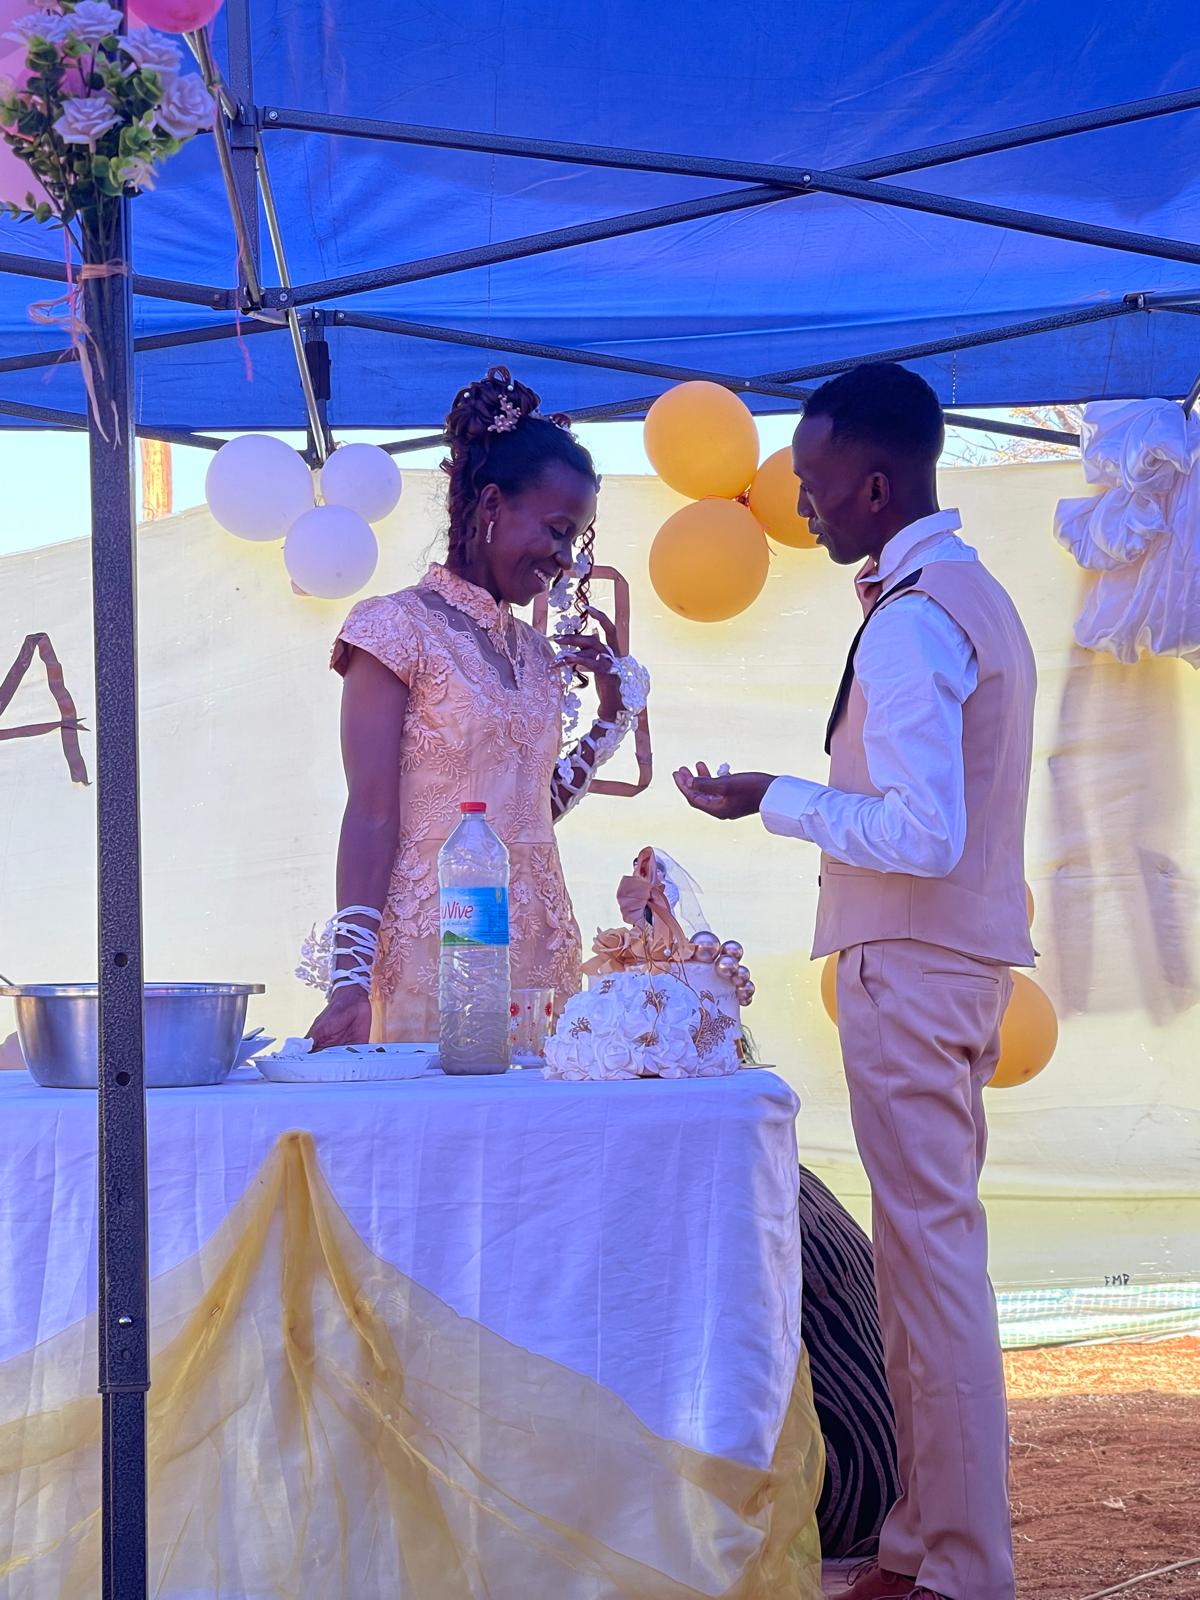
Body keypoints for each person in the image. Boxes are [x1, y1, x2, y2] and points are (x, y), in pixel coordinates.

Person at [675, 362, 1036, 1600]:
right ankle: (919, 1540)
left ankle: (964, 1568)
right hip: (945, 966)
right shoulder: (964, 593)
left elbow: (924, 834)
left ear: (876, 486)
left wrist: (776, 798)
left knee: (932, 1276)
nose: (803, 506)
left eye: (817, 484)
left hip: (915, 967)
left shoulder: (916, 618)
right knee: (920, 1266)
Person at [306, 367, 643, 1048]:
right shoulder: (395, 629)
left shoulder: (536, 654)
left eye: (575, 540)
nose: (565, 558)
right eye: (556, 530)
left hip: (539, 959)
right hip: (437, 955)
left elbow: (529, 808)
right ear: (491, 505)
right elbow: (371, 813)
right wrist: (348, 982)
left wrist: (609, 719)